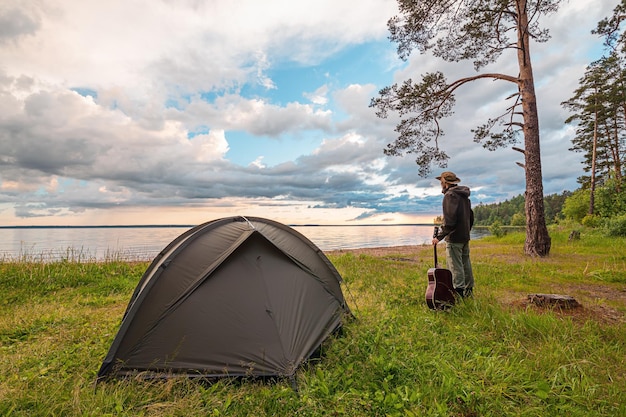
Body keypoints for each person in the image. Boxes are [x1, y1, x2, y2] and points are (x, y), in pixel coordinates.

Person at [431, 171, 475, 298]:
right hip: (464, 236)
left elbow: (449, 220)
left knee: (455, 266)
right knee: (465, 264)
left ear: (445, 182)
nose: (440, 184)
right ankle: (469, 292)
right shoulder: (464, 196)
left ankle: (459, 294)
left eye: (441, 182)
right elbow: (470, 217)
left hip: (455, 237)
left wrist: (439, 237)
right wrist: (466, 231)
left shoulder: (450, 196)